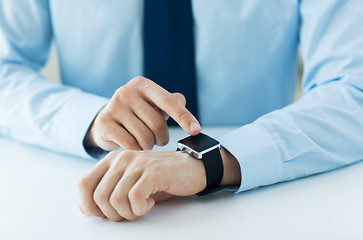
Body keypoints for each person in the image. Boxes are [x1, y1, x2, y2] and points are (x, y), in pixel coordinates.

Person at [1, 0, 363, 222]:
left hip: (268, 202)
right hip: (85, 198)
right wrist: (91, 119)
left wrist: (215, 161)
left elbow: (354, 88)